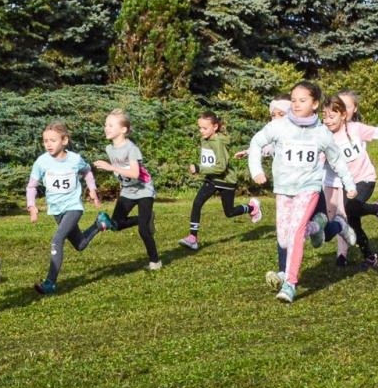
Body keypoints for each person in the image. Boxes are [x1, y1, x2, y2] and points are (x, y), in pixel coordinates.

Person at [247, 82, 356, 304]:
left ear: (314, 104)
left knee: (295, 233)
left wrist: (349, 184)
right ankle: (325, 225)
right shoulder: (279, 126)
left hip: (308, 189)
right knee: (284, 239)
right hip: (284, 190)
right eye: (294, 100)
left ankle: (290, 284)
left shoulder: (322, 133)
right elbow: (256, 143)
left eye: (302, 100)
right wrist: (256, 170)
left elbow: (337, 160)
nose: (296, 104)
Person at [322, 94, 378, 269]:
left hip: (365, 178)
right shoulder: (324, 137)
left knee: (350, 208)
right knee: (352, 221)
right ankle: (369, 256)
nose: (327, 121)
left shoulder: (356, 129)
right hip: (346, 185)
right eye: (324, 117)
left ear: (343, 115)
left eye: (331, 116)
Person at [28, 121, 102, 294]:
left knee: (57, 239)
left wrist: (92, 189)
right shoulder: (41, 162)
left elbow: (87, 171)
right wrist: (32, 206)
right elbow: (31, 186)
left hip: (73, 206)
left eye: (53, 140)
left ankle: (50, 283)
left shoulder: (75, 159)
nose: (48, 144)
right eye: (45, 141)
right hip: (56, 209)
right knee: (80, 244)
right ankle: (100, 224)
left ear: (64, 140)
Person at [91, 109, 167, 271]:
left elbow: (134, 173)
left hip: (144, 189)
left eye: (111, 125)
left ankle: (155, 262)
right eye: (105, 125)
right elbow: (121, 171)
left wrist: (111, 167)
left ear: (123, 130)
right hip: (128, 191)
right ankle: (145, 218)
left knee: (144, 230)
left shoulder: (131, 148)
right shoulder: (109, 148)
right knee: (116, 225)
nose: (106, 128)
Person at [177, 112, 261, 252]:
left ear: (215, 127)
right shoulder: (205, 139)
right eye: (200, 127)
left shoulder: (218, 143)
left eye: (205, 128)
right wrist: (202, 168)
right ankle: (192, 238)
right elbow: (209, 161)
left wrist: (199, 168)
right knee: (197, 203)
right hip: (212, 179)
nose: (201, 131)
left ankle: (252, 208)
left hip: (226, 181)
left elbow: (221, 167)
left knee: (229, 212)